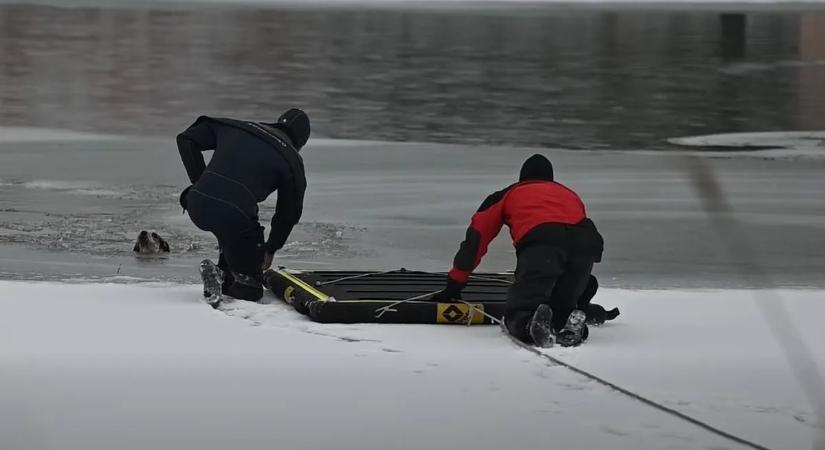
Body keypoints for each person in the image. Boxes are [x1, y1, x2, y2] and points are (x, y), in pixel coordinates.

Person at [430, 154, 606, 347]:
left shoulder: (508, 194)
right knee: (561, 306)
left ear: (522, 177)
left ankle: (529, 325)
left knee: (520, 311)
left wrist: (455, 284)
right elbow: (570, 236)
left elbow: (476, 241)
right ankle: (570, 318)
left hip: (544, 243)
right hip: (586, 244)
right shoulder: (569, 194)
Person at [177, 108, 309, 304]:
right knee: (252, 288)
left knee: (235, 223)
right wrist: (271, 247)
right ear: (301, 141)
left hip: (197, 202)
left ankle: (224, 266)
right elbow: (288, 214)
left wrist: (200, 182)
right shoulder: (291, 160)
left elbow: (186, 139)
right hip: (234, 215)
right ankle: (222, 275)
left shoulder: (240, 127)